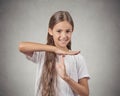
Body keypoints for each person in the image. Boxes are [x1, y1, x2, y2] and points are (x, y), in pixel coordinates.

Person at [19, 11, 90, 96]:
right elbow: (22, 46)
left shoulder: (77, 58)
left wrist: (66, 78)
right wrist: (54, 49)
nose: (64, 36)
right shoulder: (42, 54)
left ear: (72, 31)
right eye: (59, 31)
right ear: (50, 31)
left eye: (68, 31)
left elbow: (85, 93)